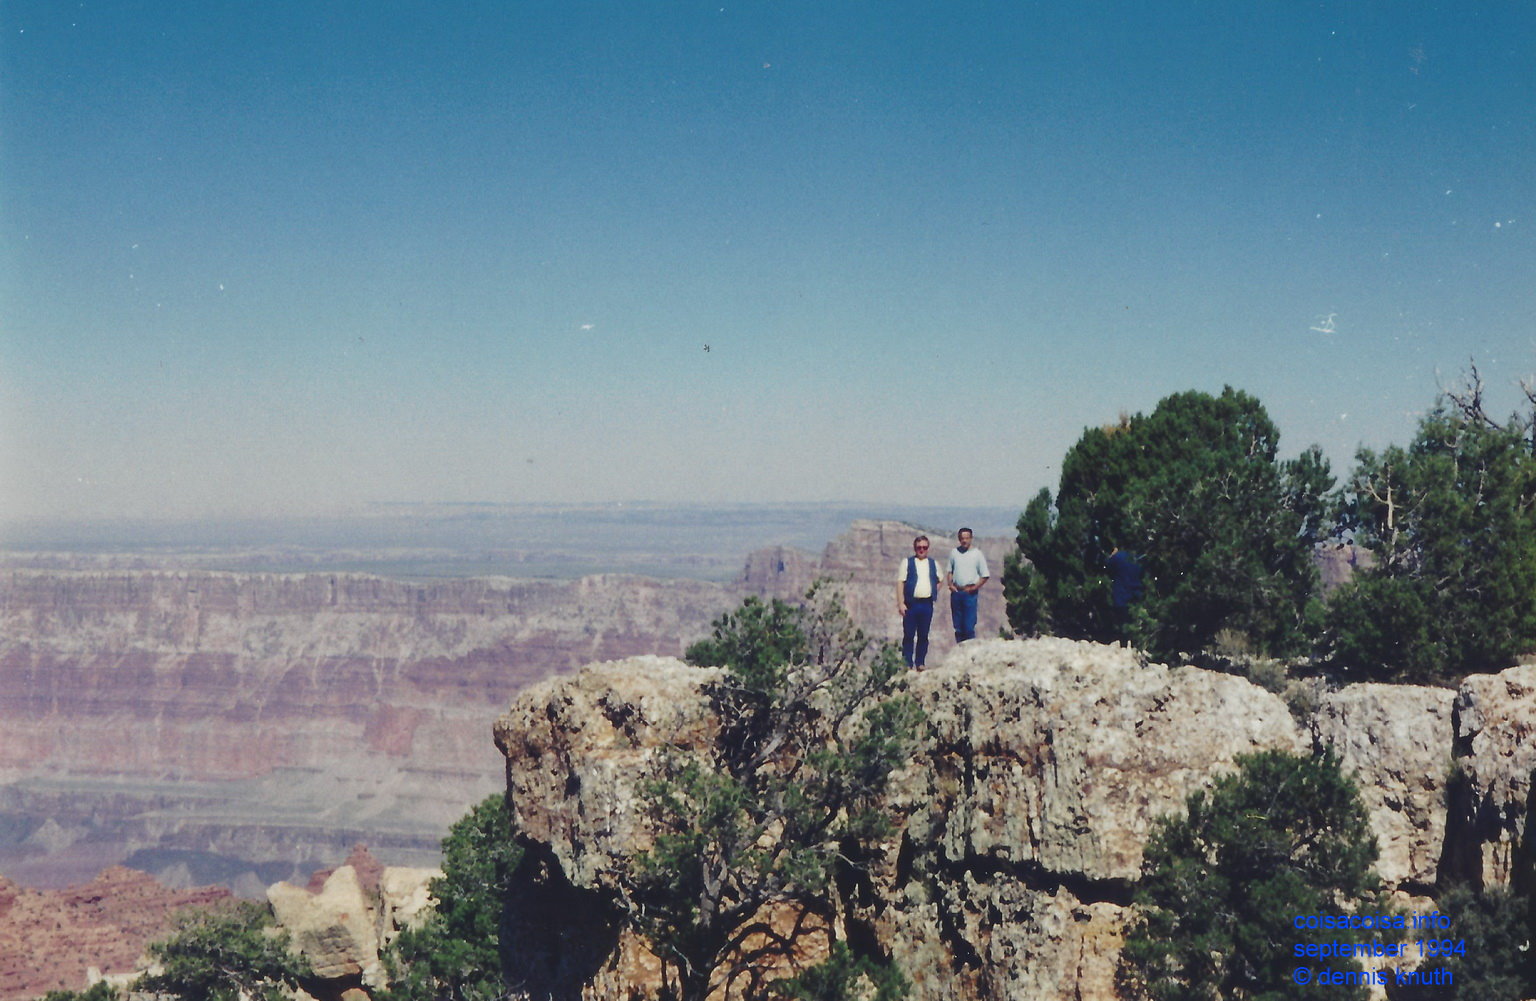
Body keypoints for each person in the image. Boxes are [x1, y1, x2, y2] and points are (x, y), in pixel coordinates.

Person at [896, 535, 943, 668]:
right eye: (919, 547)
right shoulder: (907, 562)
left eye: (924, 547)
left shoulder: (933, 564)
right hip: (911, 604)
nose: (921, 550)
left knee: (923, 635)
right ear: (914, 548)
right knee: (909, 634)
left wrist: (933, 591)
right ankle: (907, 663)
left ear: (928, 548)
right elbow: (900, 582)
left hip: (927, 604)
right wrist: (901, 603)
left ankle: (920, 662)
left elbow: (941, 580)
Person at [945, 527, 989, 643]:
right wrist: (950, 584)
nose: (964, 541)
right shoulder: (954, 553)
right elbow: (949, 571)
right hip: (956, 592)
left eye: (967, 538)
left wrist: (974, 588)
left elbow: (985, 575)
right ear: (959, 539)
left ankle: (970, 652)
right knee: (958, 627)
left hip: (969, 593)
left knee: (969, 626)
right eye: (962, 538)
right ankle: (960, 650)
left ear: (971, 538)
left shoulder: (977, 554)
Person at [1105, 545, 1145, 645]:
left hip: (1121, 595)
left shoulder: (1118, 557)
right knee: (1134, 622)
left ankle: (1123, 644)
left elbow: (1107, 566)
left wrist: (1112, 555)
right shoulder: (1140, 557)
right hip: (1136, 594)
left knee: (1121, 623)